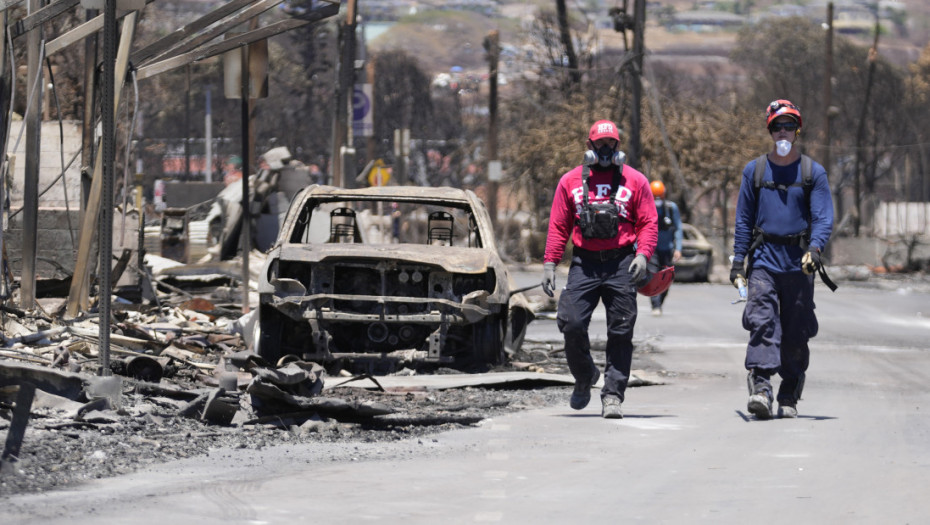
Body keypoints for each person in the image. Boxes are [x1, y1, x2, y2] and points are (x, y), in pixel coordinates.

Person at [541, 119, 658, 419]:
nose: (606, 149)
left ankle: (613, 396)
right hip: (585, 264)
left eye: (611, 144)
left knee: (621, 329)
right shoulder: (570, 182)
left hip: (622, 263)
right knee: (571, 322)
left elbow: (648, 223)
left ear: (618, 146)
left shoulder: (636, 181)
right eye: (600, 144)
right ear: (589, 146)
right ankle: (585, 375)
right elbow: (558, 225)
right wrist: (550, 263)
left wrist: (643, 255)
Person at [730, 99, 834, 420]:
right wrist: (737, 263)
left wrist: (814, 250)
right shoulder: (755, 171)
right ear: (770, 131)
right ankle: (761, 388)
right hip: (763, 261)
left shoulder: (812, 172)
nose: (783, 131)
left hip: (799, 263)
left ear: (797, 130)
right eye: (777, 126)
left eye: (789, 125)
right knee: (762, 321)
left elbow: (823, 217)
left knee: (795, 329)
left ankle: (789, 390)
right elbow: (743, 220)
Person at [648, 180, 682, 316]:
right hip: (652, 249)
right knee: (653, 276)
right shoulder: (647, 207)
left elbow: (678, 228)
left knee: (667, 277)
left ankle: (660, 301)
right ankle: (655, 305)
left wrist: (678, 248)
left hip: (667, 249)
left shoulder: (671, 208)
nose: (657, 200)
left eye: (659, 197)